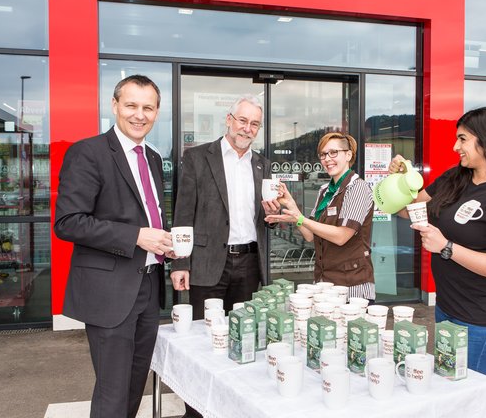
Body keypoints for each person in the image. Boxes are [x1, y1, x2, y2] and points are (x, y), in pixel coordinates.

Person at [55, 75, 178, 418]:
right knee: (112, 393)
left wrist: (163, 244)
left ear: (157, 112)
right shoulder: (87, 152)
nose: (140, 115)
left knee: (133, 387)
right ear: (114, 106)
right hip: (110, 292)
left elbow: (148, 214)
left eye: (148, 108)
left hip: (149, 286)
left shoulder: (153, 158)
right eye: (131, 105)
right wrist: (137, 236)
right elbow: (68, 222)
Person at [389, 106, 486, 376]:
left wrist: (446, 247)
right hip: (447, 306)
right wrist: (398, 178)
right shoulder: (454, 178)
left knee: (468, 390)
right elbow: (408, 210)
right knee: (447, 382)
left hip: (481, 317)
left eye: (463, 139)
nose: (456, 146)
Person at [170, 95, 280, 319]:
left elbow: (265, 217)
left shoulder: (262, 164)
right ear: (228, 120)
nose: (247, 128)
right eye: (242, 120)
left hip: (249, 264)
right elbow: (183, 213)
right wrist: (180, 263)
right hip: (207, 263)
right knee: (203, 334)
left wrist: (272, 214)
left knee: (243, 332)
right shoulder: (197, 158)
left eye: (254, 124)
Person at [265, 132, 376, 304]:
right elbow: (310, 235)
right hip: (325, 285)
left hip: (353, 290)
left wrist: (300, 219)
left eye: (333, 152)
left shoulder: (358, 188)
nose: (327, 159)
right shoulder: (324, 191)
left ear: (348, 155)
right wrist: (291, 205)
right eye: (323, 154)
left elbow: (341, 236)